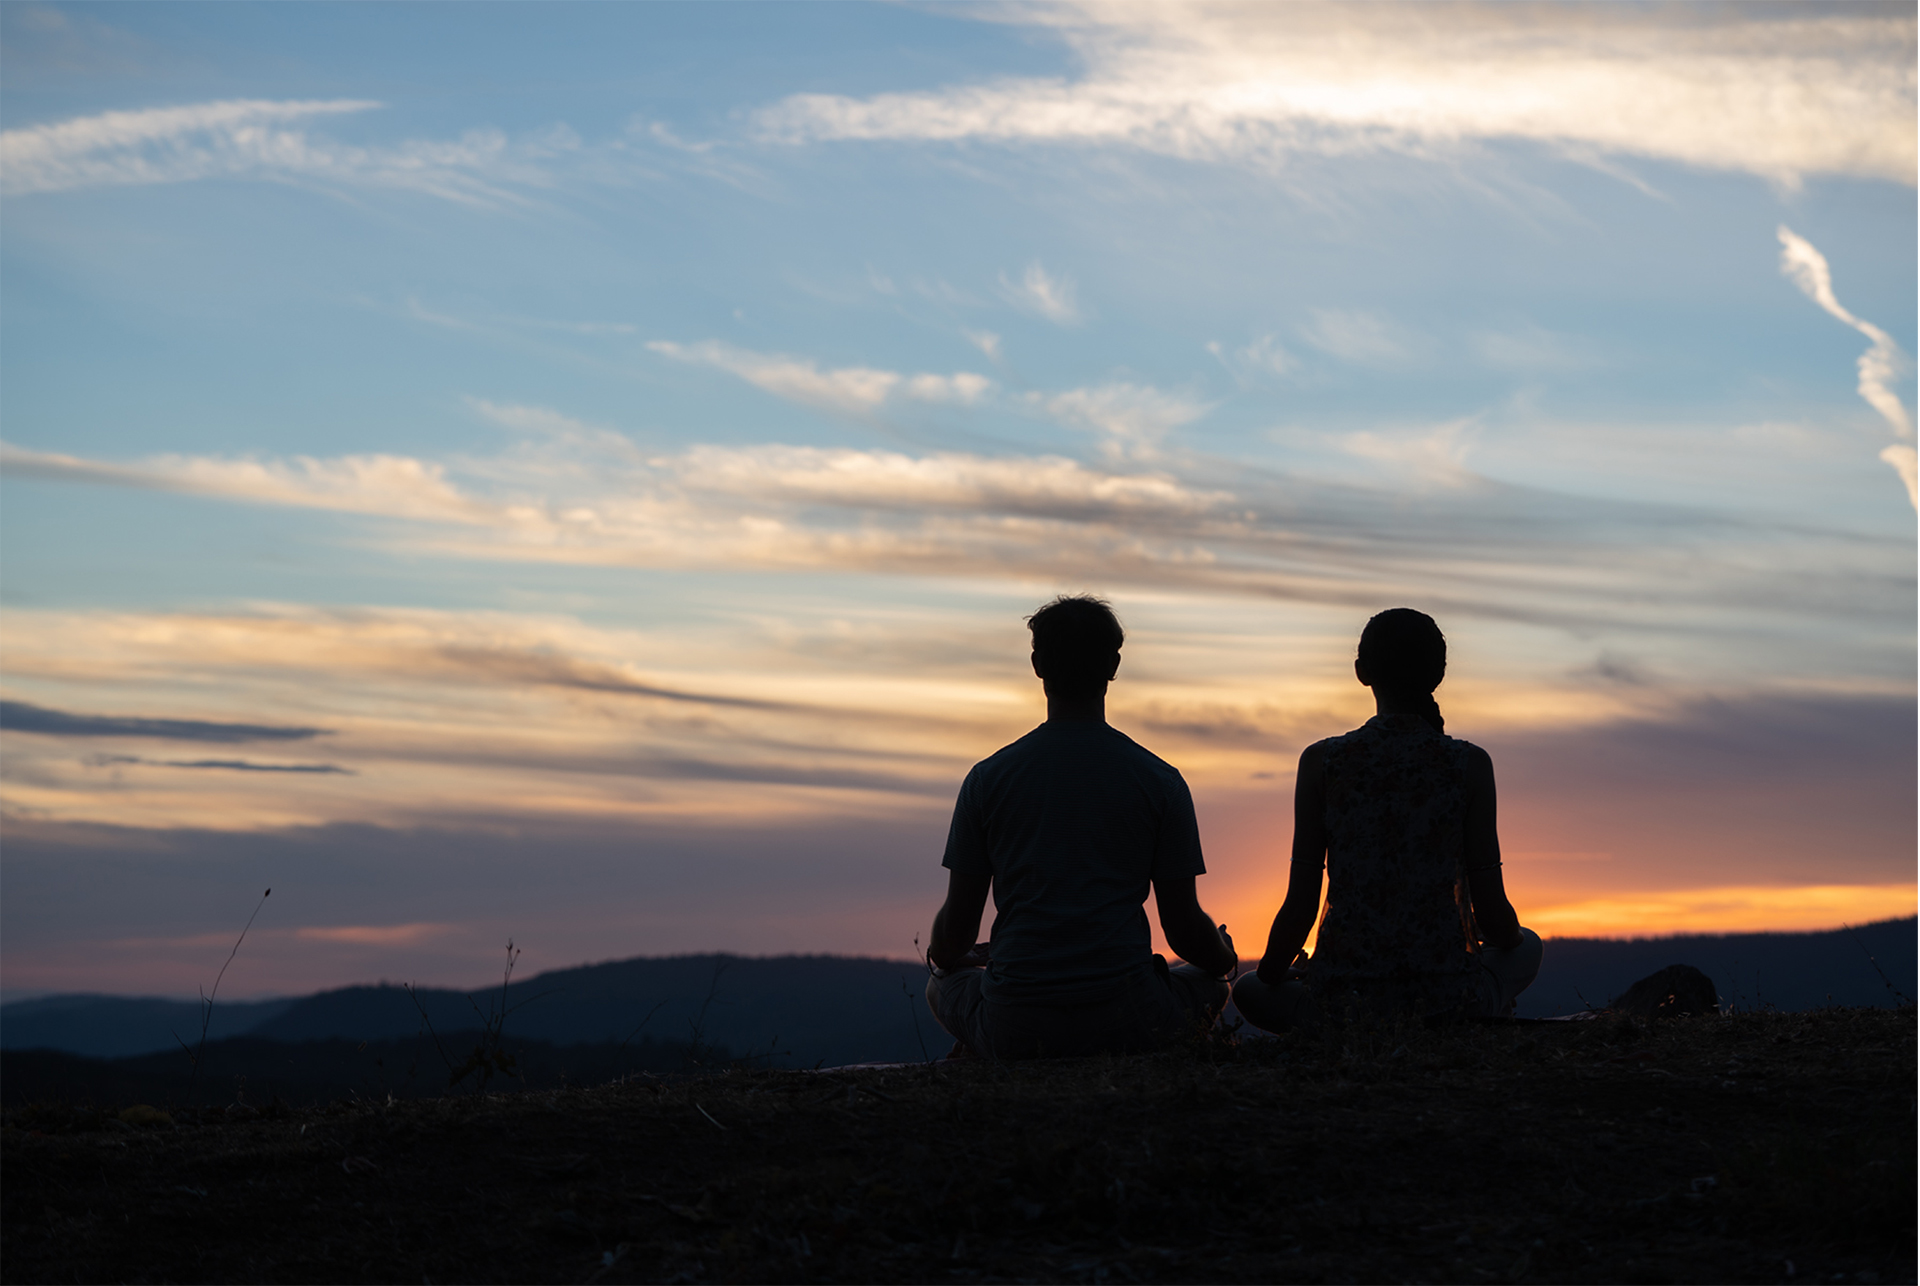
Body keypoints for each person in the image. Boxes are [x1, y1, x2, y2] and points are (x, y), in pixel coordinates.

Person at [925, 595, 1238, 1059]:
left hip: (1016, 1024)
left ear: (1037, 665)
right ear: (1113, 666)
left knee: (940, 984)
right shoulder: (1159, 780)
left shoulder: (988, 779)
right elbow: (1183, 928)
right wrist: (1224, 958)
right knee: (1208, 982)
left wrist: (950, 958)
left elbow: (955, 935)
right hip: (1132, 1022)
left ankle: (984, 1052)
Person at [1232, 608, 1542, 1032]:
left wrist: (1272, 974)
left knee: (1248, 989)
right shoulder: (1468, 764)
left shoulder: (1322, 762)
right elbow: (1491, 915)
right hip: (1447, 1006)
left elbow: (1301, 905)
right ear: (1439, 675)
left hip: (1343, 1010)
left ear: (1362, 672)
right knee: (1531, 947)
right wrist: (1509, 943)